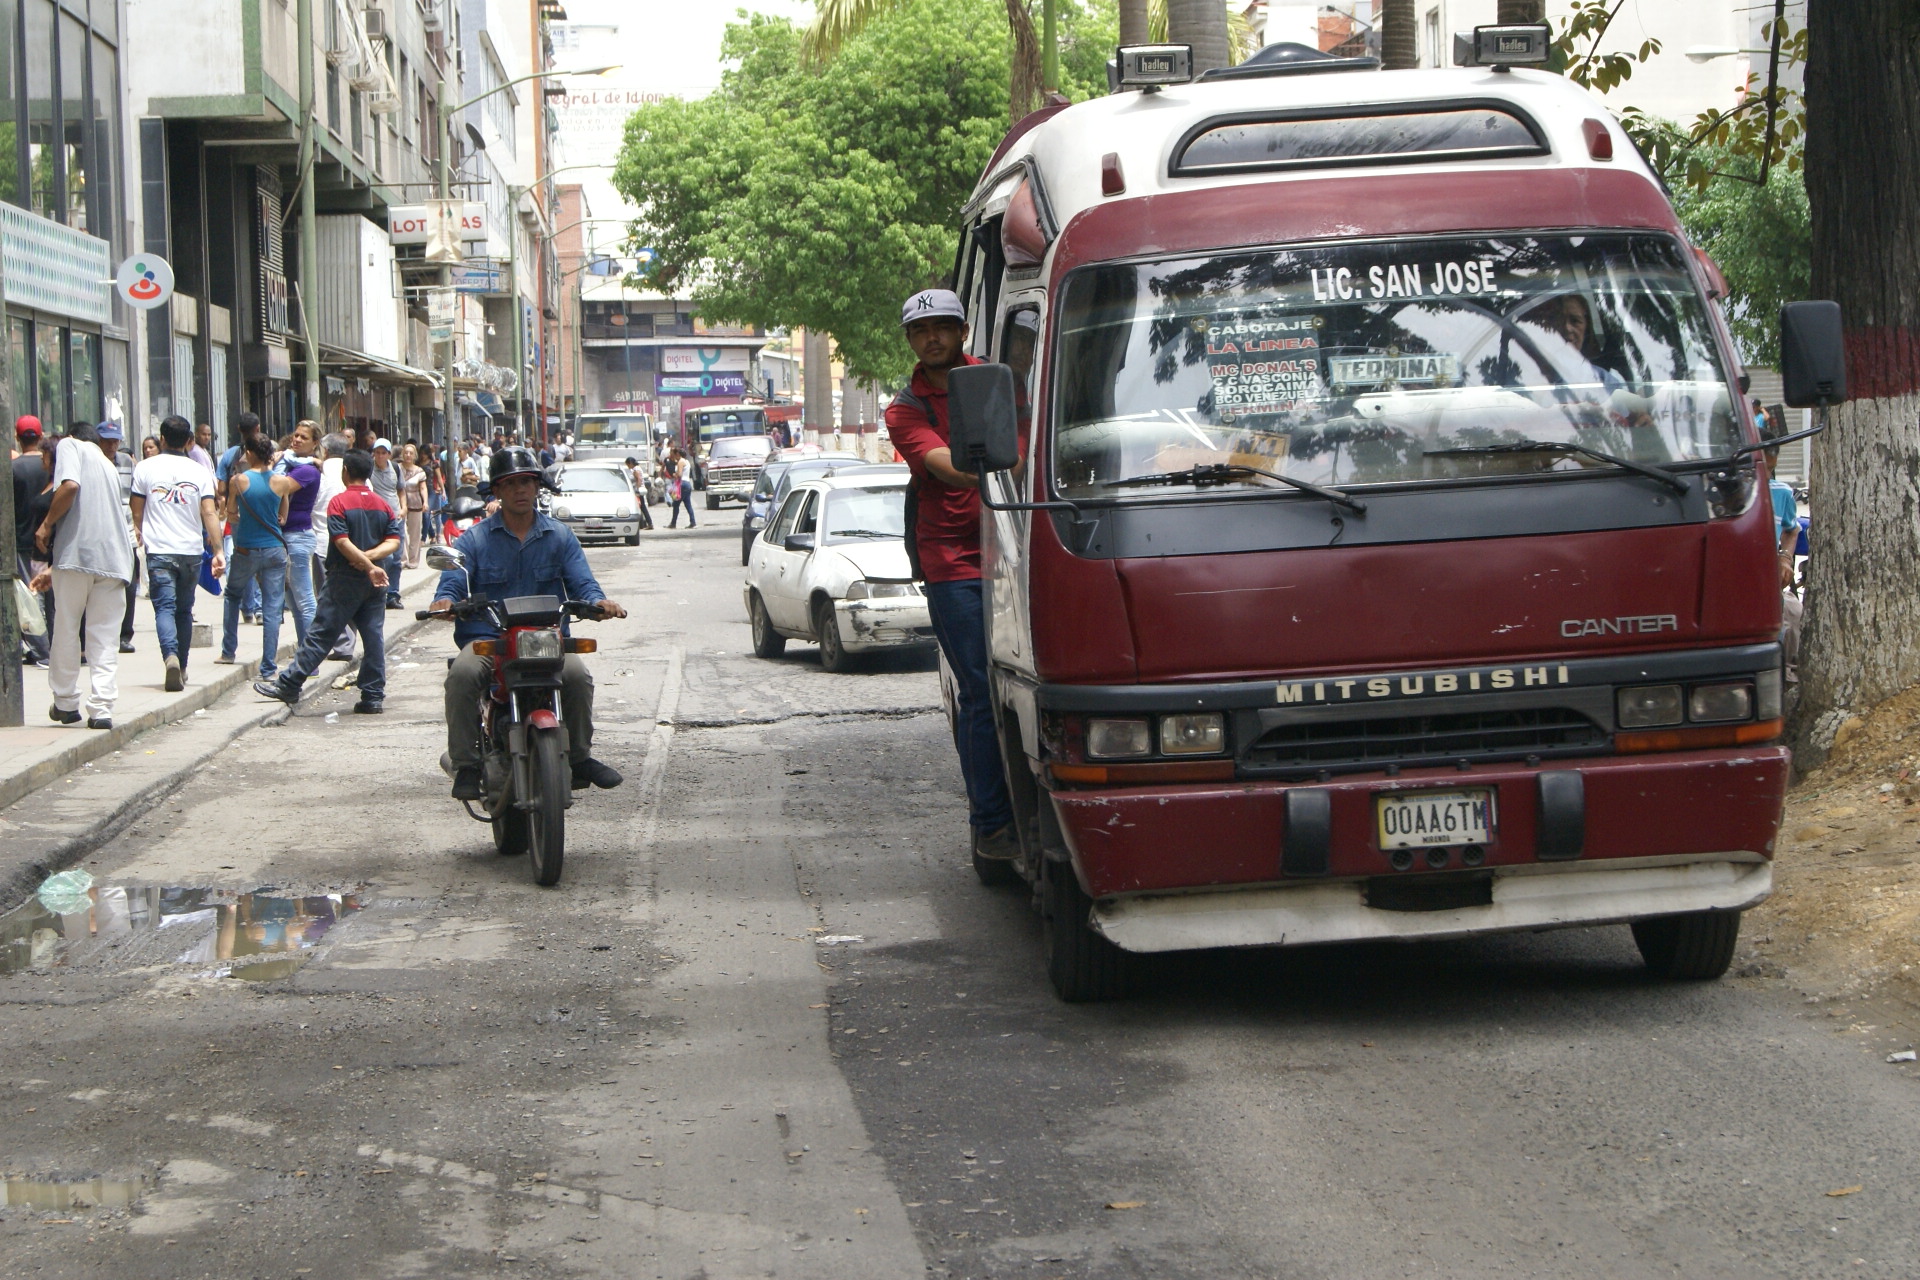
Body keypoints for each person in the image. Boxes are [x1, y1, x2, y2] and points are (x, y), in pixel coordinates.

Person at [883, 288, 1018, 864]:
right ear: (911, 341)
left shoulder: (997, 378)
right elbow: (953, 470)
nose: (932, 337)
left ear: (962, 331)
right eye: (921, 330)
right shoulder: (904, 408)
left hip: (1017, 548)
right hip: (953, 561)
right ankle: (990, 824)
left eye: (942, 326)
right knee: (981, 692)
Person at [430, 446, 627, 800]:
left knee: (577, 677)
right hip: (489, 640)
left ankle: (579, 757)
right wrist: (445, 601)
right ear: (498, 491)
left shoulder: (560, 536)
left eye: (527, 482)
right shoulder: (473, 540)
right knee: (461, 675)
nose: (520, 490)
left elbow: (583, 584)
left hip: (546, 638)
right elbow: (453, 582)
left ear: (537, 487)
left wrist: (599, 603)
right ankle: (467, 765)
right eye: (511, 484)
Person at [254, 450, 401, 714]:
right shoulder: (383, 504)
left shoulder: (339, 503)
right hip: (376, 580)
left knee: (322, 633)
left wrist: (363, 562)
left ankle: (289, 683)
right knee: (373, 636)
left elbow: (341, 541)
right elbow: (393, 541)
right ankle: (373, 695)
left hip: (344, 579)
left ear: (346, 471)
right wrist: (371, 562)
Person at [34, 422, 134, 729]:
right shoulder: (107, 464)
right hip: (115, 559)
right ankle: (102, 708)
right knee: (104, 636)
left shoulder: (70, 446)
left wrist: (47, 524)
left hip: (77, 559)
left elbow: (70, 486)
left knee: (66, 628)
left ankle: (65, 703)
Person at [131, 415, 225, 691]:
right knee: (184, 611)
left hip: (159, 550)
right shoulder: (199, 471)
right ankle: (182, 666)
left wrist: (142, 531)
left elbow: (137, 510)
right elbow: (209, 511)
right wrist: (218, 550)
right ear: (188, 441)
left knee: (164, 608)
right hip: (191, 551)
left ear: (161, 439)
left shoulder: (145, 468)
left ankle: (170, 656)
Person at [218, 434, 298, 679]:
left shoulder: (238, 481)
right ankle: (268, 667)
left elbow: (230, 513)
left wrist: (236, 516)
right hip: (274, 548)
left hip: (246, 549)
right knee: (273, 607)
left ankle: (229, 650)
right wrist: (279, 517)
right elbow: (284, 509)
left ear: (250, 453)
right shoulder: (281, 481)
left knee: (233, 594)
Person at [274, 422, 324, 646]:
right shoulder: (291, 463)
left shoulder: (307, 470)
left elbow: (277, 487)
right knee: (293, 603)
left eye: (304, 437)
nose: (297, 440)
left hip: (298, 537)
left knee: (304, 600)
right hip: (285, 537)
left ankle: (311, 654)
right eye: (295, 435)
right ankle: (305, 652)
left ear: (314, 443)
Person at [93, 422, 139, 654]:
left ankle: (124, 635)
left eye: (115, 441)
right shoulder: (92, 462)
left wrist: (138, 526)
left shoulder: (126, 463)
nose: (112, 445)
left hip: (126, 529)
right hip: (100, 530)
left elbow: (133, 496)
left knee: (129, 583)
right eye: (107, 440)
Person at [12, 416, 50, 665]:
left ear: (17, 438)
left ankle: (41, 649)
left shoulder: (11, 469)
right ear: (41, 436)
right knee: (49, 596)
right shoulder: (50, 466)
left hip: (23, 540)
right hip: (51, 540)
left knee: (29, 594)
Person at [368, 438, 405, 608]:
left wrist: (404, 508)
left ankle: (393, 594)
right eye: (378, 453)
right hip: (377, 519)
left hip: (396, 517)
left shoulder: (396, 468)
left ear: (389, 454)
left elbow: (401, 491)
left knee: (396, 558)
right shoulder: (369, 469)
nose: (380, 456)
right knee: (385, 557)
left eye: (384, 453)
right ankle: (380, 591)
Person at [398, 441, 428, 568]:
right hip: (400, 503)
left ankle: (413, 560)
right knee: (402, 531)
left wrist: (425, 502)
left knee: (415, 533)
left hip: (415, 502)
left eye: (410, 453)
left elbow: (423, 488)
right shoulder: (397, 468)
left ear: (414, 455)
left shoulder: (419, 471)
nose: (408, 455)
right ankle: (403, 559)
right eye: (406, 453)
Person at [666, 447, 696, 528]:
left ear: (678, 454)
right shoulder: (686, 461)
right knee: (688, 504)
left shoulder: (680, 462)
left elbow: (679, 474)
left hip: (682, 484)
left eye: (675, 454)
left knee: (676, 504)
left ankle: (673, 523)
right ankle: (693, 521)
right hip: (687, 483)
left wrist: (674, 475)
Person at [623, 456, 655, 530]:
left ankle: (649, 523)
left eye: (628, 465)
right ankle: (647, 523)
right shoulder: (638, 468)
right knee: (642, 507)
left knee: (642, 507)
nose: (628, 467)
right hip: (640, 490)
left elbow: (639, 480)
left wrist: (637, 490)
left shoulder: (635, 469)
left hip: (638, 491)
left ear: (630, 463)